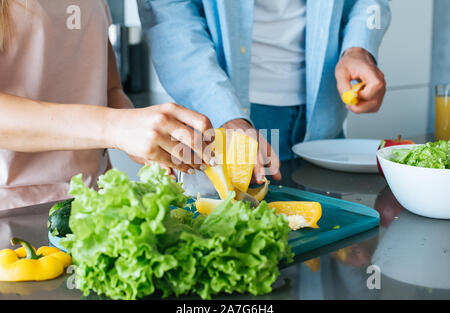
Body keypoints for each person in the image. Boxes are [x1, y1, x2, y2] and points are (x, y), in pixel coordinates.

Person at [138, 0, 391, 183]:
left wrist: (360, 47)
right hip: (223, 119)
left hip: (325, 115)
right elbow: (169, 18)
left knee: (327, 242)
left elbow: (374, 5)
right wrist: (223, 114)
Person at [0, 0, 214, 210]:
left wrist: (143, 135)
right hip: (13, 212)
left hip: (91, 201)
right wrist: (117, 127)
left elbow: (110, 89)